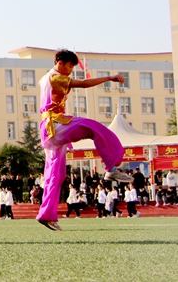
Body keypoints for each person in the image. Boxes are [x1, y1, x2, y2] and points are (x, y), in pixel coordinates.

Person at [36, 50, 133, 231]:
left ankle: (46, 215)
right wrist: (109, 78)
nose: (71, 70)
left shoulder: (44, 79)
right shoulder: (56, 78)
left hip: (48, 131)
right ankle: (111, 168)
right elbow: (84, 83)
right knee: (94, 128)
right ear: (60, 62)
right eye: (70, 66)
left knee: (55, 175)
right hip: (56, 125)